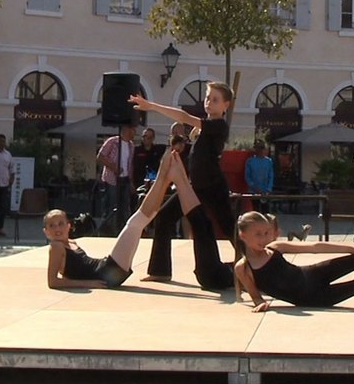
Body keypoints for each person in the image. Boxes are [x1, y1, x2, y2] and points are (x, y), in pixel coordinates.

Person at [43, 145, 202, 289]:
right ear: (46, 232)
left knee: (137, 223)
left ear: (68, 225)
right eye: (52, 225)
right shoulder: (56, 247)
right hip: (107, 273)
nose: (57, 228)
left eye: (60, 223)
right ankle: (165, 176)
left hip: (107, 269)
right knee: (135, 223)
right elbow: (53, 282)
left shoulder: (70, 243)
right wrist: (89, 283)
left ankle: (166, 177)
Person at [129, 83, 237, 291]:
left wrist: (151, 106)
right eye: (207, 98)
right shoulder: (205, 127)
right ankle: (160, 270)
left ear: (226, 105)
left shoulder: (219, 126)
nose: (208, 102)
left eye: (215, 99)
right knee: (164, 217)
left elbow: (184, 117)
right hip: (195, 187)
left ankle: (258, 267)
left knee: (229, 228)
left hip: (213, 187)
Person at [96, 123, 137, 235]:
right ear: (126, 129)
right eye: (133, 129)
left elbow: (130, 164)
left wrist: (131, 182)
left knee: (125, 207)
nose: (135, 132)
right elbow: (100, 157)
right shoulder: (112, 142)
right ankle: (107, 231)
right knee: (111, 206)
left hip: (125, 180)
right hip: (111, 179)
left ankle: (123, 232)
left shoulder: (131, 145)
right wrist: (114, 167)